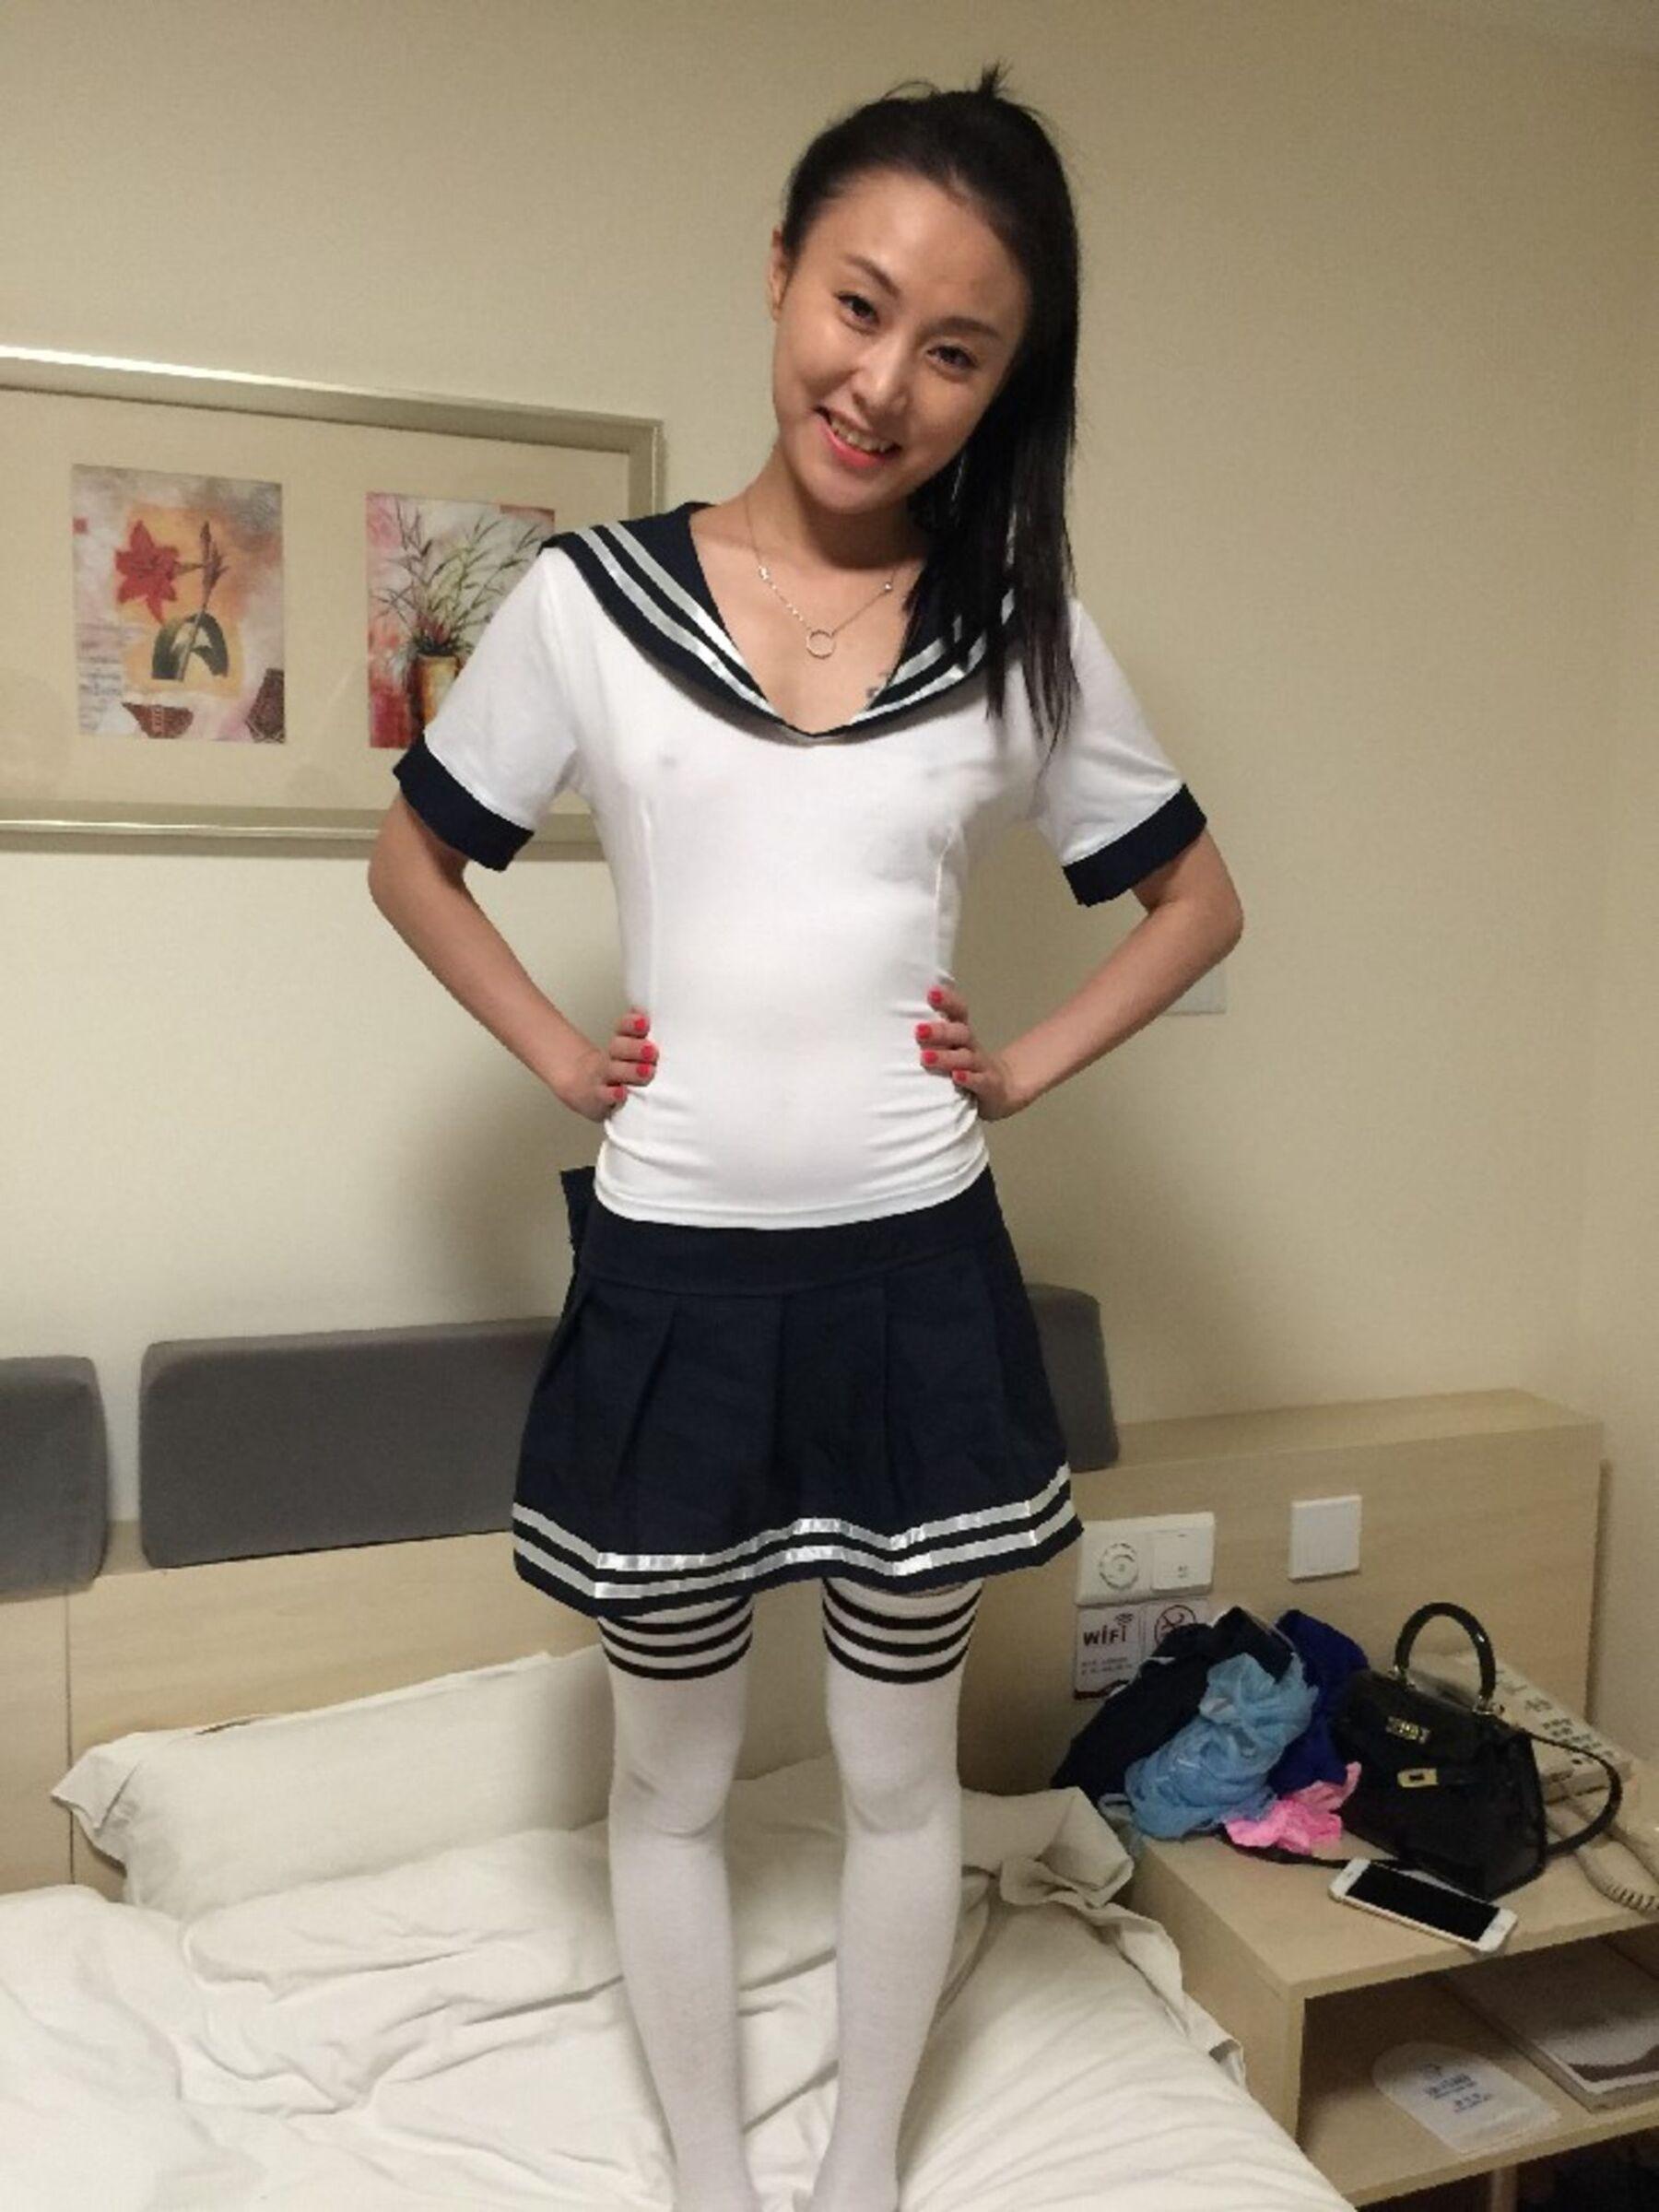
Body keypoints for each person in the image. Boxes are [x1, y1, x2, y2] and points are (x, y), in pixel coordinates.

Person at [368, 59, 1242, 2212]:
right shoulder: (590, 604)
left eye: (957, 350)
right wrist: (559, 1054)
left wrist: (1020, 1070)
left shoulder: (1017, 636)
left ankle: (857, 2175)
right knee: (670, 1781)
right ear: (780, 275)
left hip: (910, 1277)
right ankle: (709, 2178)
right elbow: (415, 859)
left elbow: (1197, 903)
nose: (885, 382)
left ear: (1004, 385)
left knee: (893, 1773)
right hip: (671, 1271)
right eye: (861, 306)